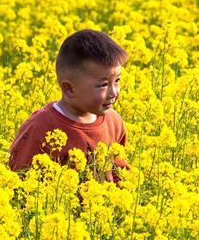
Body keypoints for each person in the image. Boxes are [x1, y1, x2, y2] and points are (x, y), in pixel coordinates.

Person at [9, 29, 129, 182]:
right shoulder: (40, 128)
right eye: (103, 85)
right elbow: (16, 179)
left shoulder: (114, 122)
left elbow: (119, 174)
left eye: (117, 81)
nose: (114, 92)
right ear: (69, 89)